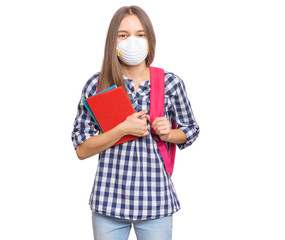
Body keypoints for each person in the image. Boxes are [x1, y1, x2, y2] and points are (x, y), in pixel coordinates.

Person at [71, 5, 199, 240]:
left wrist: (169, 134)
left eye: (140, 34)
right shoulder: (97, 86)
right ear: (113, 41)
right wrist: (121, 130)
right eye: (123, 35)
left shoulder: (170, 84)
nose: (133, 41)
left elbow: (191, 130)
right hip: (109, 201)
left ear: (150, 39)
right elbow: (82, 149)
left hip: (156, 201)